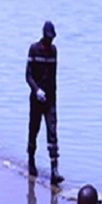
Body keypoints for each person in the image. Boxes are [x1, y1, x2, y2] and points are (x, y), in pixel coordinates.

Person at [26, 20, 63, 185]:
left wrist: (53, 100)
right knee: (34, 129)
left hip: (50, 99)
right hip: (36, 98)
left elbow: (54, 77)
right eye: (48, 38)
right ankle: (31, 160)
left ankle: (54, 170)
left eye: (52, 38)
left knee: (52, 132)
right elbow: (28, 75)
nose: (50, 41)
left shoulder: (54, 51)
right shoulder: (34, 49)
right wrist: (36, 90)